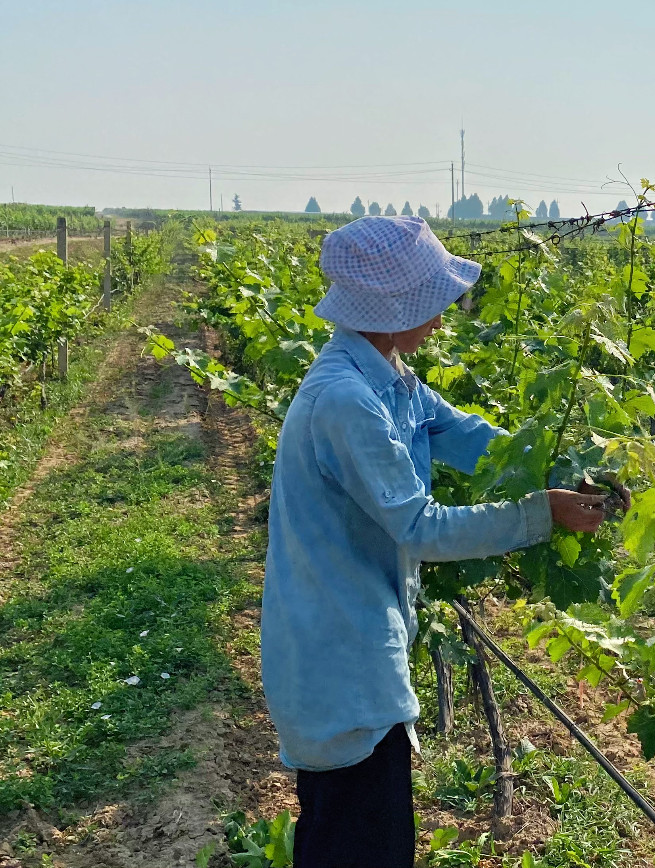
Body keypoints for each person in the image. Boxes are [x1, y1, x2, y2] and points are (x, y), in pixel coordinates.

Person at [260, 216, 609, 868]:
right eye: (432, 302)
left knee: (353, 837)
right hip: (339, 660)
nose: (442, 318)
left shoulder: (386, 377)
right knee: (358, 843)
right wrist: (540, 513)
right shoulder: (345, 401)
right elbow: (420, 527)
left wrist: (562, 469)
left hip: (356, 650)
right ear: (392, 310)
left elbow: (464, 435)